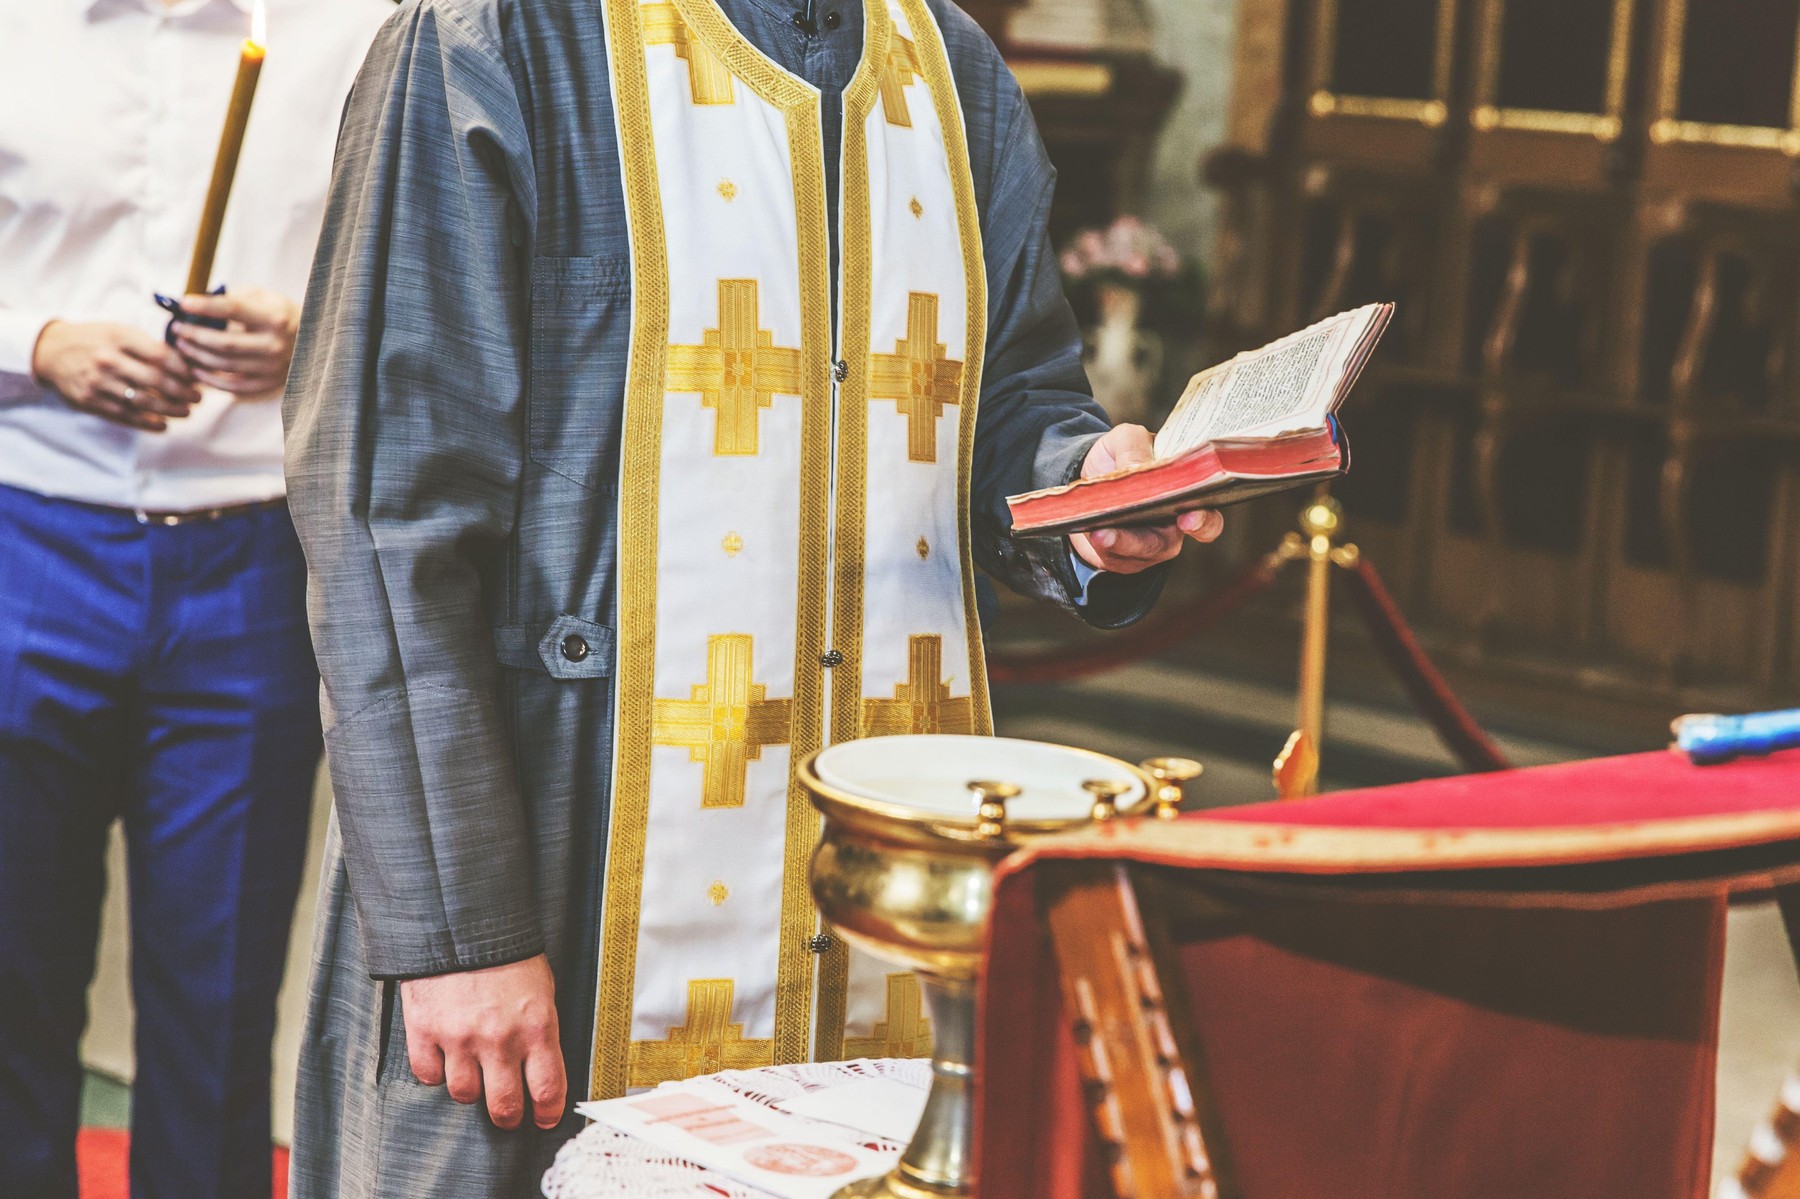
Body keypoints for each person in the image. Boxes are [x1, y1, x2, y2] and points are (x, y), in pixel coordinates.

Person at [282, 0, 1223, 1193]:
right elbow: (384, 511)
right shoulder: (500, 38)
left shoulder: (956, 69)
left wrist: (1086, 492)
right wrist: (464, 934)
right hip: (555, 867)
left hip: (879, 895)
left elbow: (1016, 402)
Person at [0, 0, 391, 1195]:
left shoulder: (366, 28)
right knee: (10, 985)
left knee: (218, 1012)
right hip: (26, 536)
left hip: (254, 559)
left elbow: (431, 268)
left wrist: (314, 330)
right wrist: (38, 340)